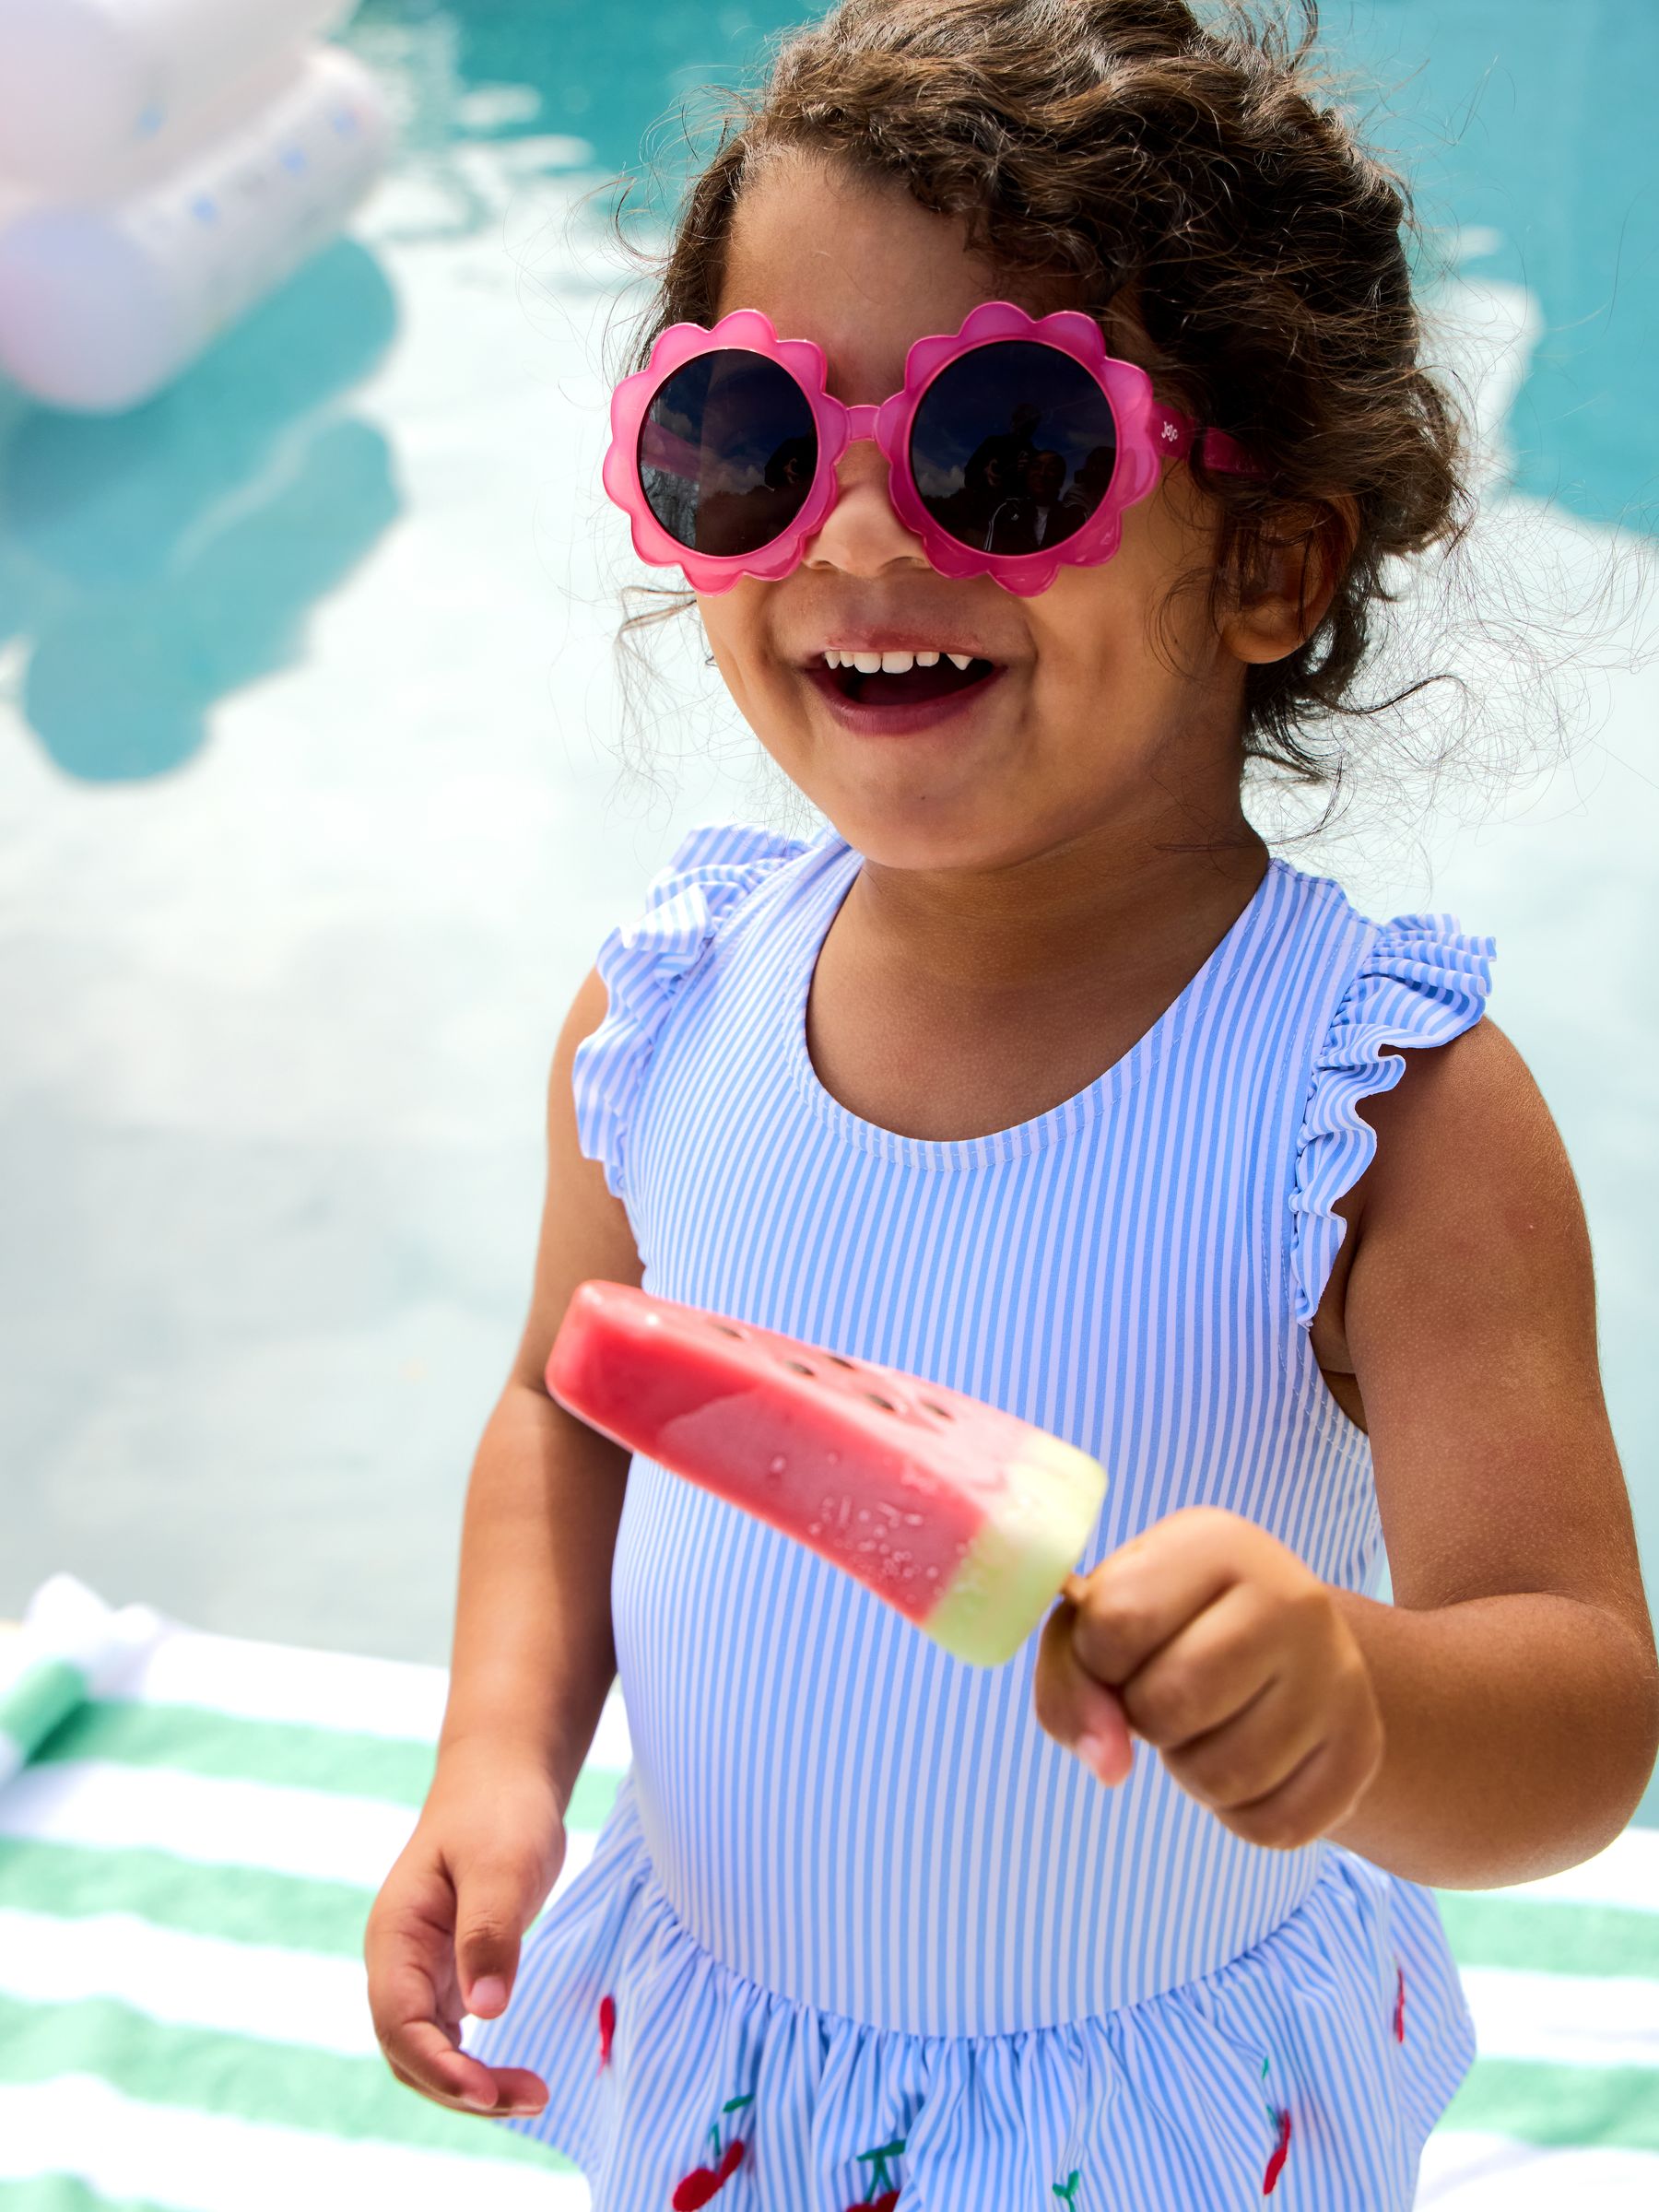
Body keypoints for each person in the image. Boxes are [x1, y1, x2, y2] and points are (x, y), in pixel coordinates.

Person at [363, 5, 1659, 2207]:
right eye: (748, 440)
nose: (860, 535)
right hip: (732, 2050)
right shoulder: (666, 1004)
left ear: (1268, 563)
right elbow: (570, 1413)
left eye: (1010, 446)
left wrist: (1350, 1697)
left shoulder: (1374, 1112)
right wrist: (500, 1755)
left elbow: (1580, 1707)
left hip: (1142, 2116)